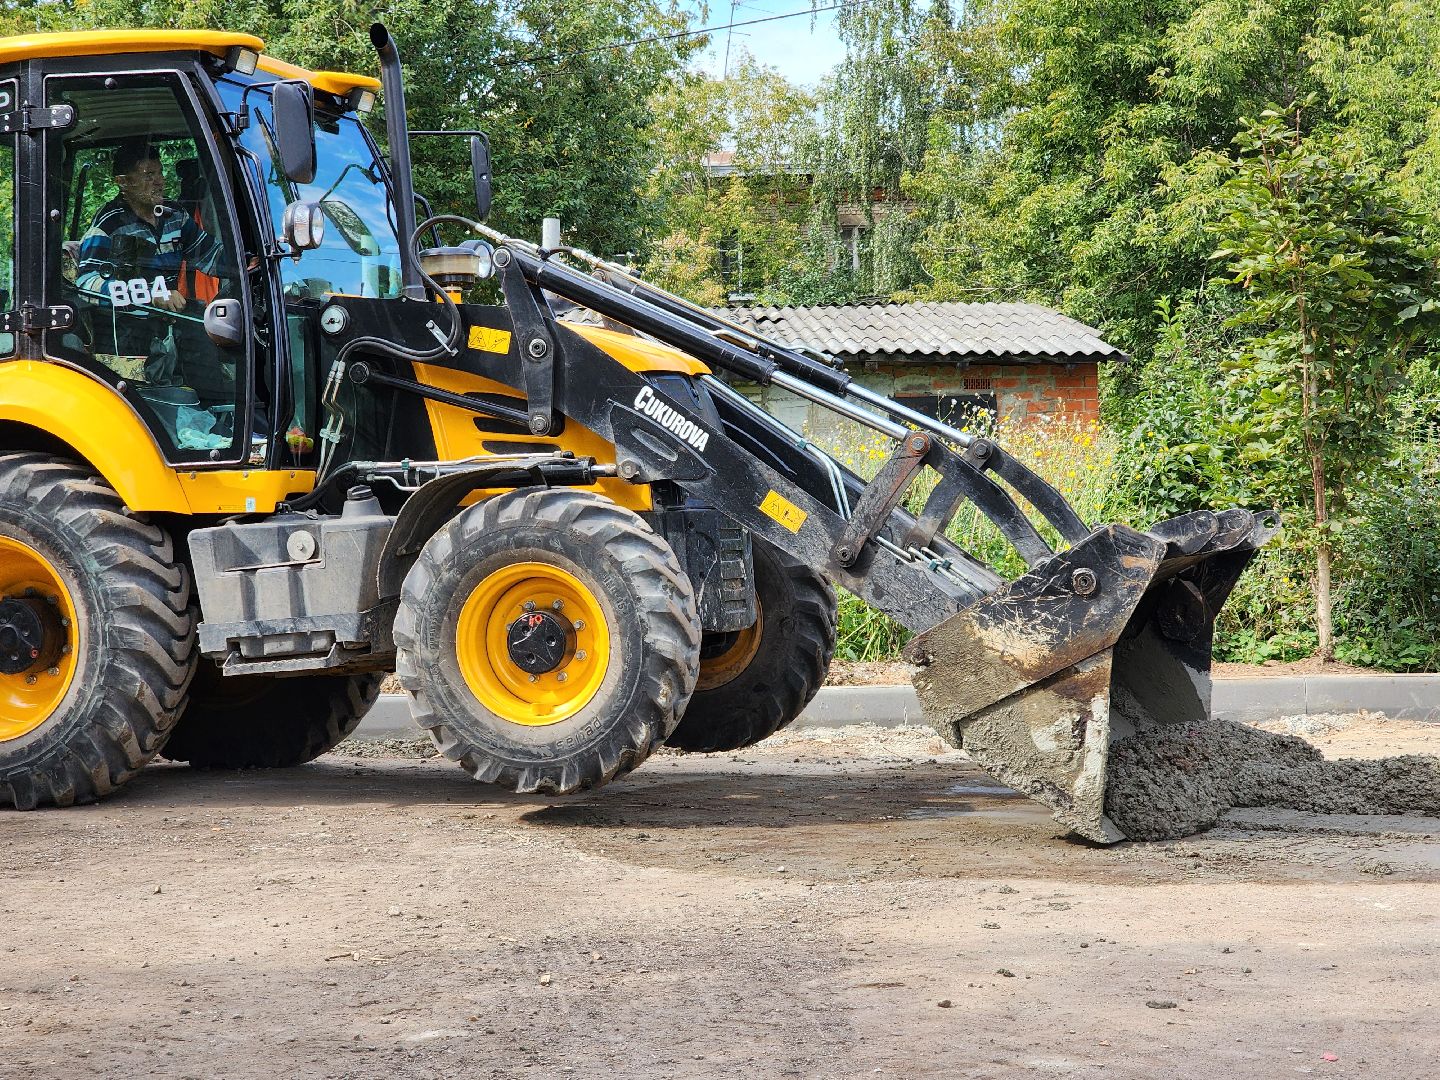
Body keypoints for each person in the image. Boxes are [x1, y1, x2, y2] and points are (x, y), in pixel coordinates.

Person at [74, 140, 226, 385]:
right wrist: (151, 294)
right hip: (128, 332)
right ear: (123, 183)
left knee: (213, 373)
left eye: (160, 173)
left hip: (172, 323)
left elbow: (211, 256)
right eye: (149, 175)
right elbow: (85, 284)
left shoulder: (175, 216)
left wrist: (249, 264)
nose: (160, 181)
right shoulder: (108, 225)